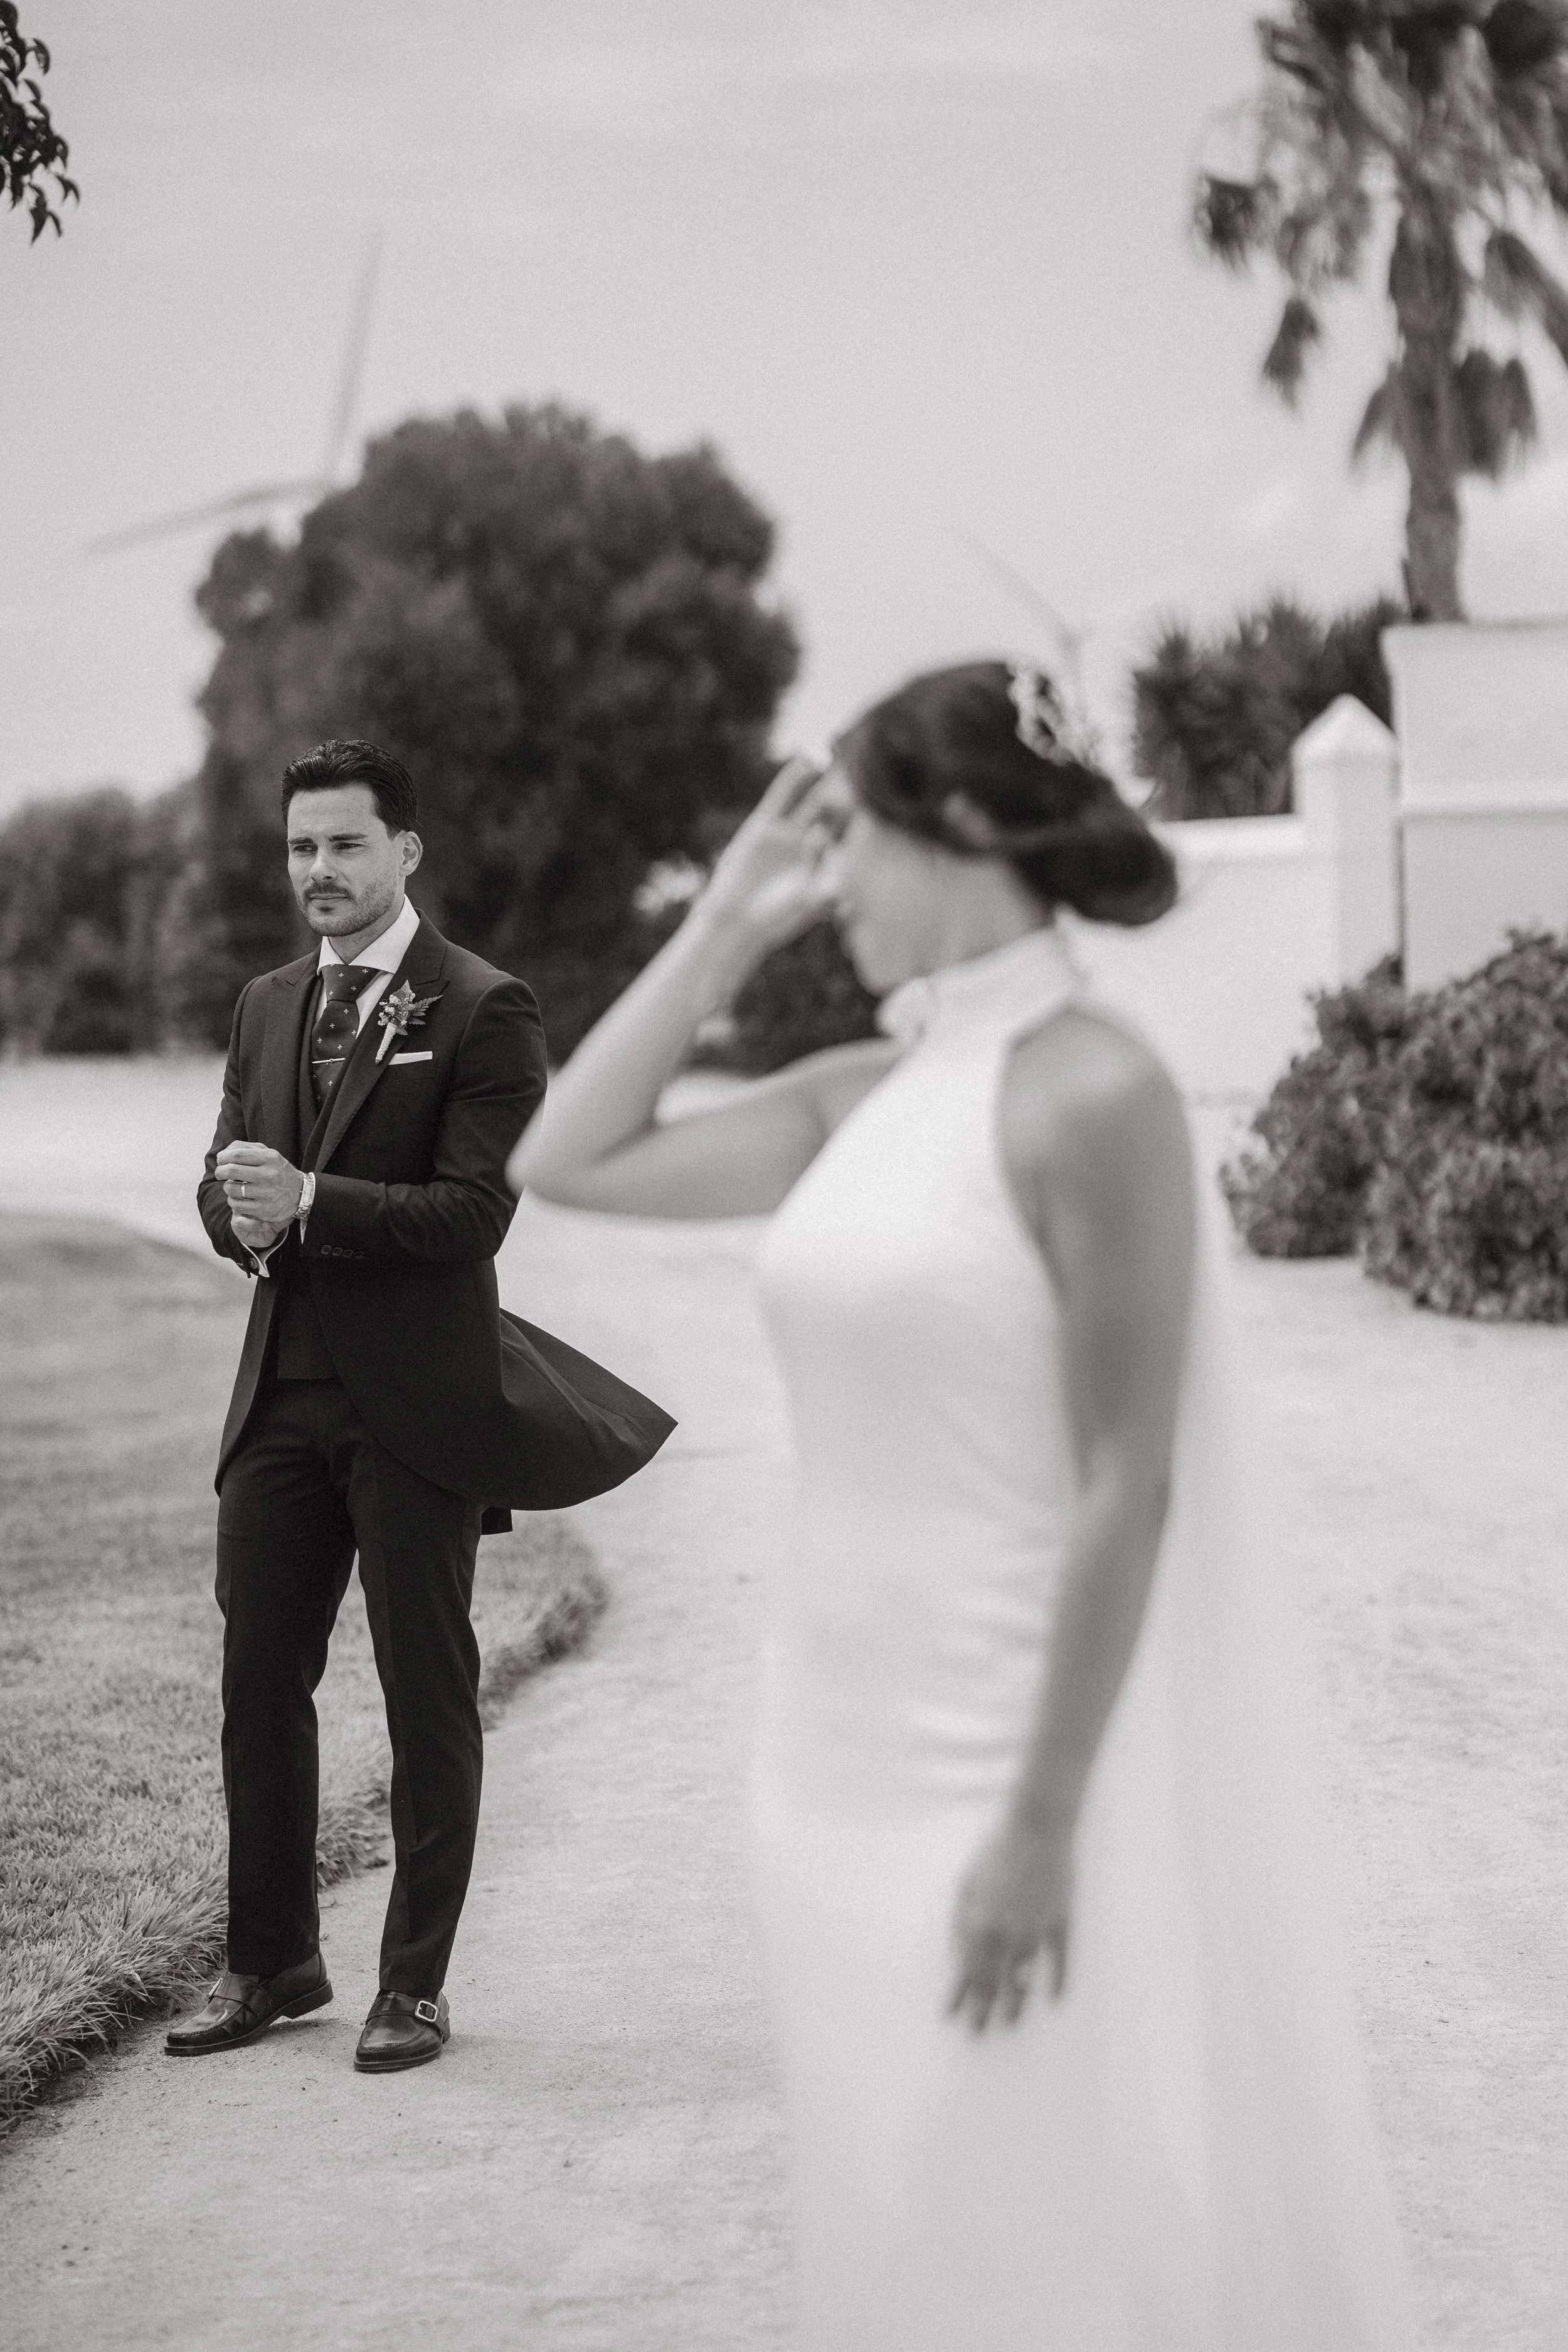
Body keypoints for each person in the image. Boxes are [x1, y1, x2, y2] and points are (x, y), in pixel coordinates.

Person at [511, 663, 1415, 2349]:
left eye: (850, 833)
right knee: (896, 2223)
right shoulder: (869, 1089)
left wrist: (1036, 1822)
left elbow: (1120, 1487)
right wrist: (720, 927)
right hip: (825, 1755)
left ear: (973, 825)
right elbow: (563, 1160)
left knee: (1028, 2219)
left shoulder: (1094, 1094)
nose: (827, 873)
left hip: (1005, 1767)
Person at [168, 738, 673, 2075]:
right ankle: (272, 1962)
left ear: (405, 852)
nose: (317, 872)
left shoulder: (481, 1007)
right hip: (279, 1396)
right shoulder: (266, 1003)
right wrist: (244, 1219)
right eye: (299, 848)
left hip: (417, 1409)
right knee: (255, 1686)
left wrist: (314, 1204)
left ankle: (414, 1986)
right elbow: (225, 1186)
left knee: (423, 1693)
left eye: (343, 844)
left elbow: (474, 1212)